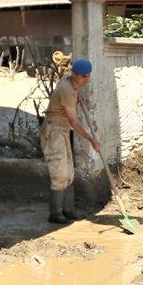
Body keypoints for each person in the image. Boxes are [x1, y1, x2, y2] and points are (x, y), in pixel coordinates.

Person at [42, 58, 101, 224]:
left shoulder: (68, 80)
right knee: (60, 173)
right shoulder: (66, 90)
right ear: (75, 75)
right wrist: (91, 139)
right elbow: (74, 122)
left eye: (88, 75)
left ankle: (68, 210)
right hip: (54, 131)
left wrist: (77, 94)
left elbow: (70, 89)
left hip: (62, 130)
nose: (86, 79)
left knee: (68, 173)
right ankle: (55, 213)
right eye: (83, 76)